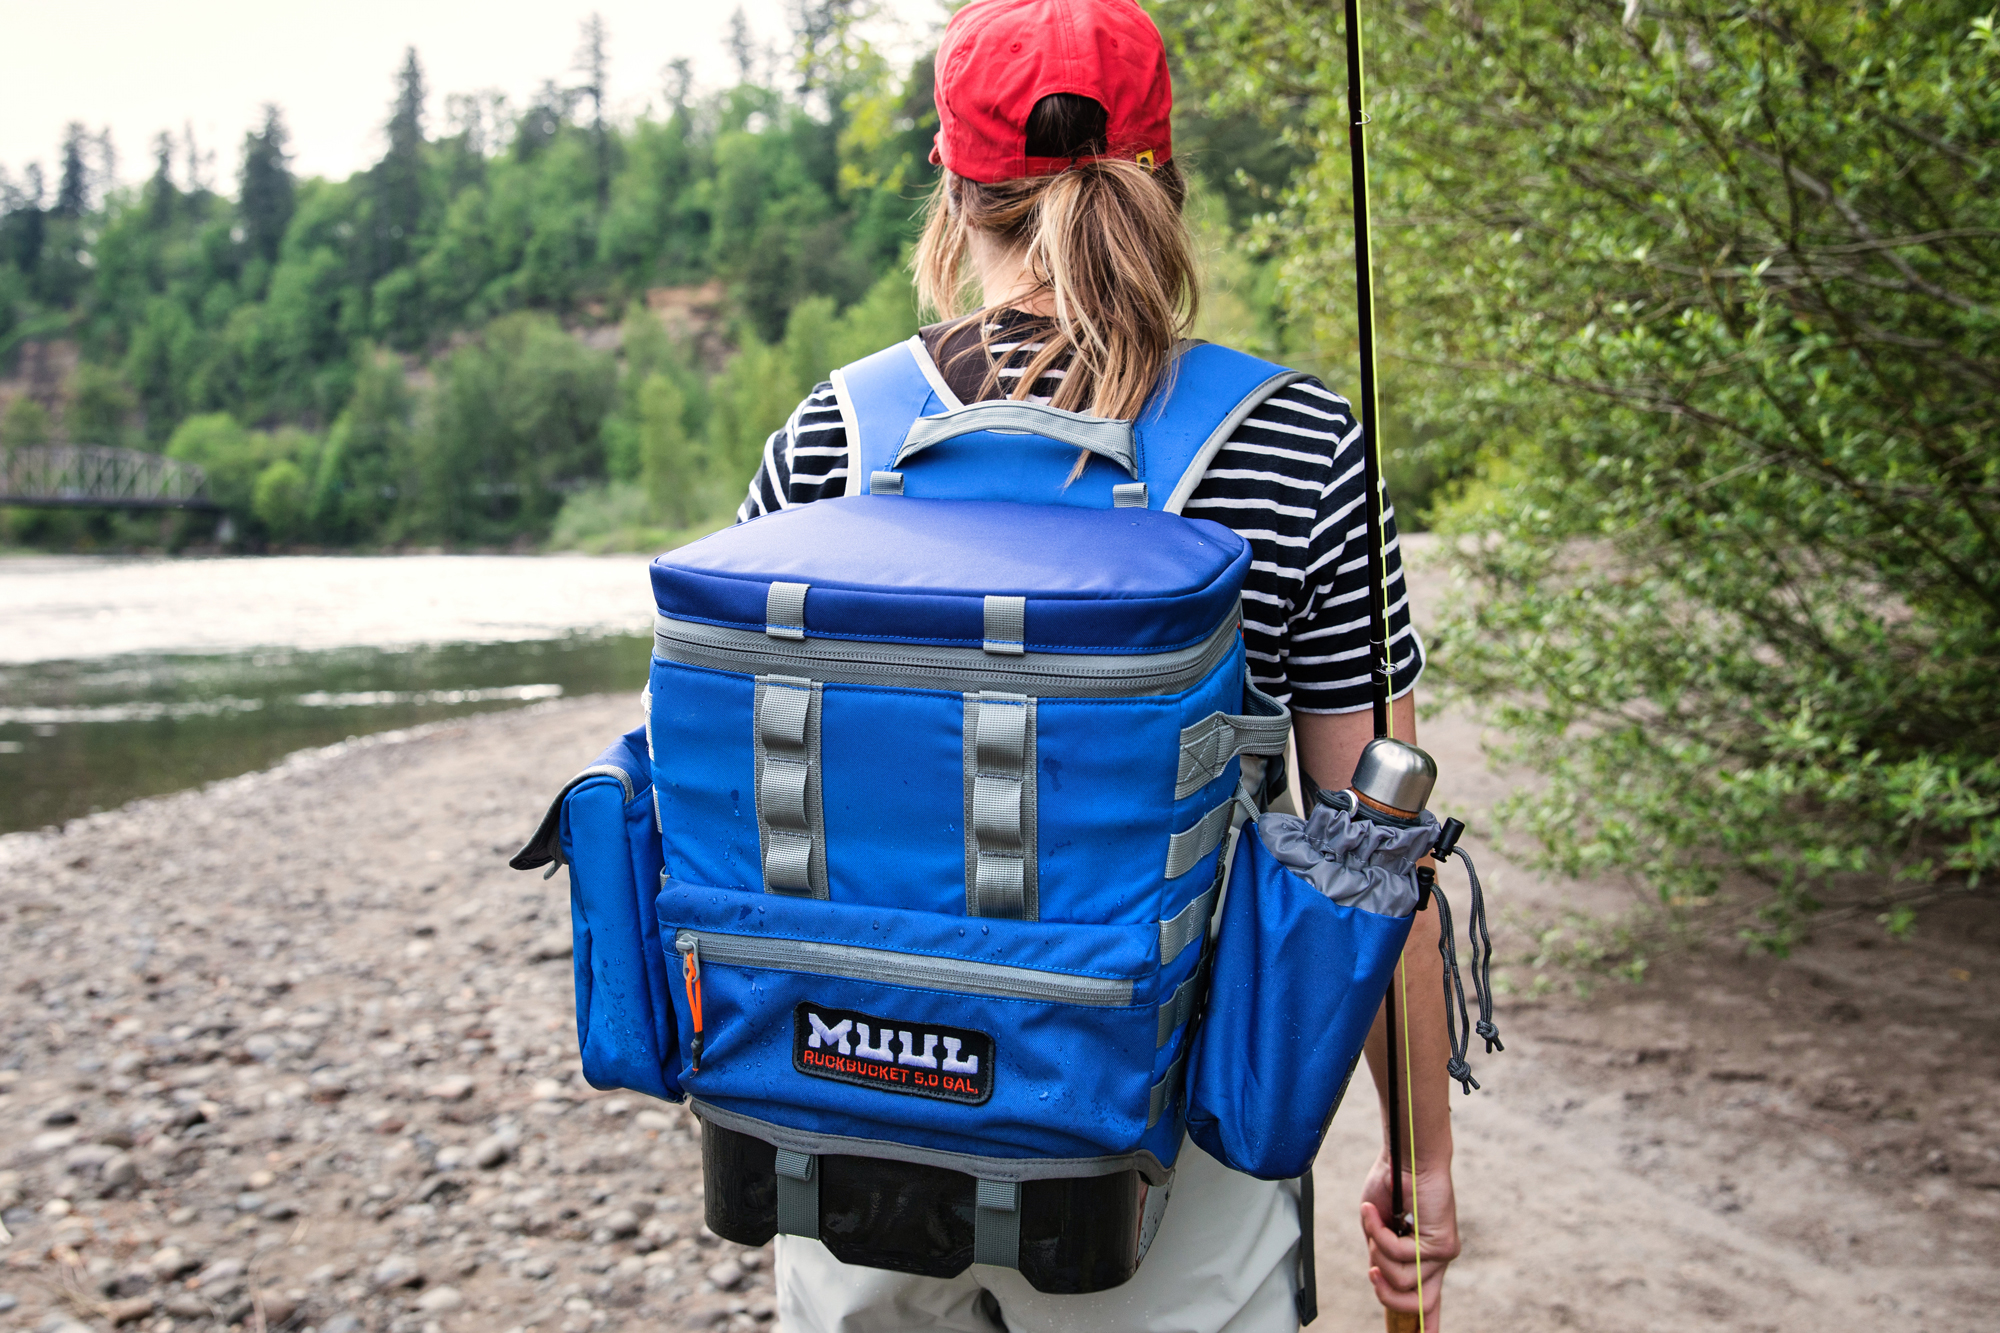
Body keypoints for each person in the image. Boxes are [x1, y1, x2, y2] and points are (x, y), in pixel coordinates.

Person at [734, 1, 1459, 1327]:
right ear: (1168, 186)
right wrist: (1421, 1161)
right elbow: (1369, 853)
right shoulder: (1296, 450)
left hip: (841, 1128)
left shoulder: (825, 438)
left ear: (951, 200)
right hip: (1163, 1163)